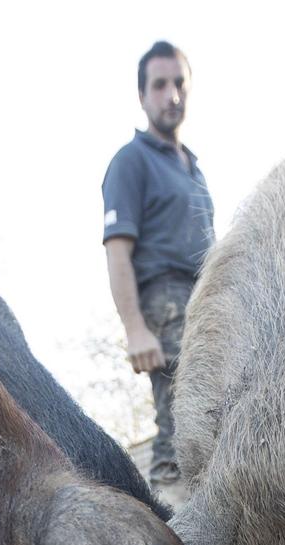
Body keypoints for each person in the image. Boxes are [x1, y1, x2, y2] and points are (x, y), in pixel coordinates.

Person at [101, 40, 214, 489]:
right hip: (164, 301)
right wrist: (135, 328)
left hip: (207, 299)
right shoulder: (131, 161)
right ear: (142, 96)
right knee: (179, 428)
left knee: (214, 420)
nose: (172, 94)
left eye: (179, 83)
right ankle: (173, 525)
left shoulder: (194, 168)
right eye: (160, 85)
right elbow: (117, 250)